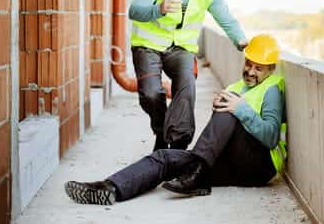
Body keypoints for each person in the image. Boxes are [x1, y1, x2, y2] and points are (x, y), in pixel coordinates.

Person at [64, 34, 286, 205]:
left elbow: (271, 137)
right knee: (164, 157)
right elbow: (219, 134)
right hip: (225, 162)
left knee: (231, 102)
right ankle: (109, 188)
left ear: (271, 70)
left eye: (258, 68)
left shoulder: (272, 89)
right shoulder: (236, 87)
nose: (250, 71)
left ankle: (196, 172)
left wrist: (240, 109)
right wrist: (222, 109)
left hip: (259, 165)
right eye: (249, 64)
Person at [128, 0, 247, 151]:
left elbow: (226, 19)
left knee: (187, 86)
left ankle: (180, 143)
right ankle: (161, 133)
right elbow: (134, 11)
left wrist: (241, 42)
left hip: (181, 49)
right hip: (148, 46)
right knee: (151, 93)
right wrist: (159, 9)